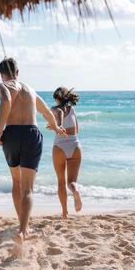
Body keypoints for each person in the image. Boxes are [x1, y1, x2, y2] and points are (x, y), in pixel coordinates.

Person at [0, 58, 65, 246]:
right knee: (28, 188)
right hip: (31, 134)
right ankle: (23, 231)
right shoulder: (31, 90)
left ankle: (21, 226)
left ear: (1, 74)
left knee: (16, 182)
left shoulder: (2, 86)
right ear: (17, 72)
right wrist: (56, 128)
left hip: (12, 134)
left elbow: (6, 101)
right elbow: (45, 112)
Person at [50, 87, 82, 219]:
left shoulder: (54, 109)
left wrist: (56, 127)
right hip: (75, 146)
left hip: (60, 147)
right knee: (71, 182)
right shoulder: (73, 110)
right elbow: (77, 130)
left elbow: (58, 120)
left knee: (61, 182)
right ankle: (75, 191)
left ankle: (64, 213)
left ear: (58, 98)